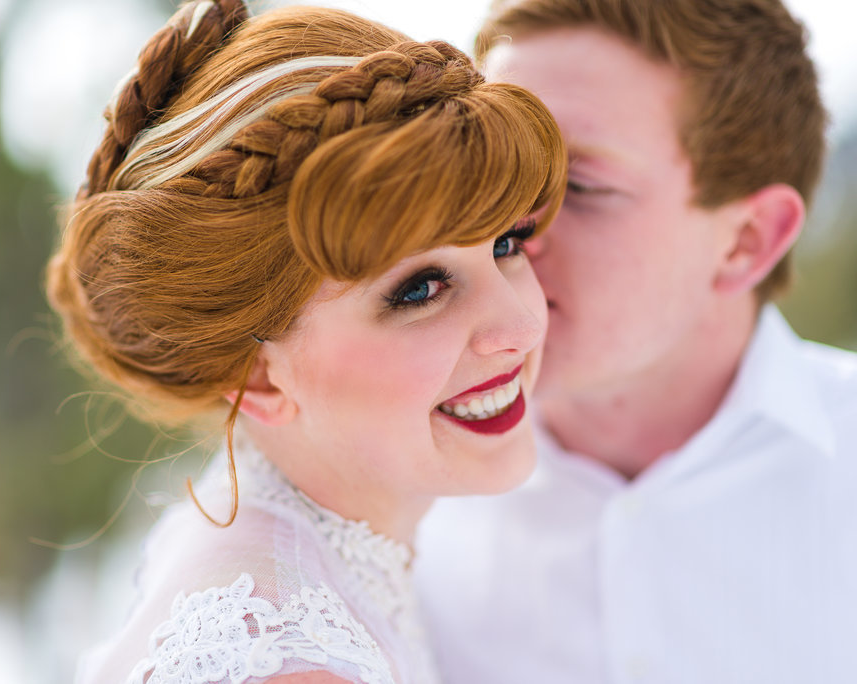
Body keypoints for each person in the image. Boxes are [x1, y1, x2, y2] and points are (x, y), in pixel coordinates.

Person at [46, 1, 566, 682]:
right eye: (420, 289)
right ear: (258, 376)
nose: (521, 326)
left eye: (507, 243)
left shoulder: (274, 554)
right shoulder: (293, 661)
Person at [415, 0, 857, 682]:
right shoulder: (379, 479)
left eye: (580, 186)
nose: (501, 222)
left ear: (747, 241)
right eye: (495, 167)